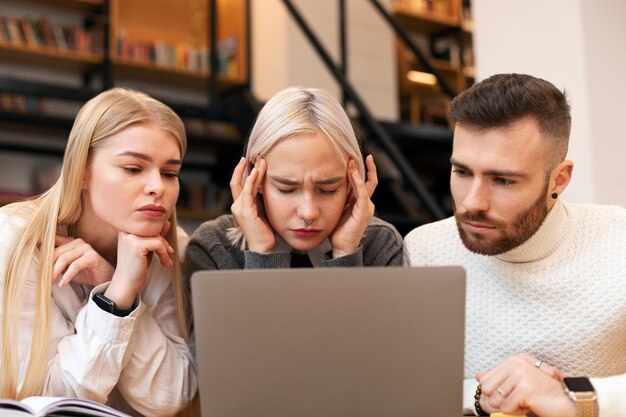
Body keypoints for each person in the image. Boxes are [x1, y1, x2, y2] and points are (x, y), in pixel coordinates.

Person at [403, 73, 626, 417]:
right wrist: (479, 395)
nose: (472, 203)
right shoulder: (424, 250)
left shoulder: (618, 240)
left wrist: (572, 398)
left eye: (503, 180)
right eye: (462, 172)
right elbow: (408, 386)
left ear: (559, 179)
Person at [0, 88, 197, 416]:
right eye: (133, 169)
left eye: (170, 173)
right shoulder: (14, 241)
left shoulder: (170, 248)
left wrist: (116, 284)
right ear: (82, 172)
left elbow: (169, 397)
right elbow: (49, 403)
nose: (158, 187)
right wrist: (114, 304)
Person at [184, 86, 402, 274]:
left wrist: (346, 254)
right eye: (286, 189)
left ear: (351, 184)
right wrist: (261, 254)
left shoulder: (380, 243)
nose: (308, 213)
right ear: (255, 180)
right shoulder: (213, 247)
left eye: (328, 189)